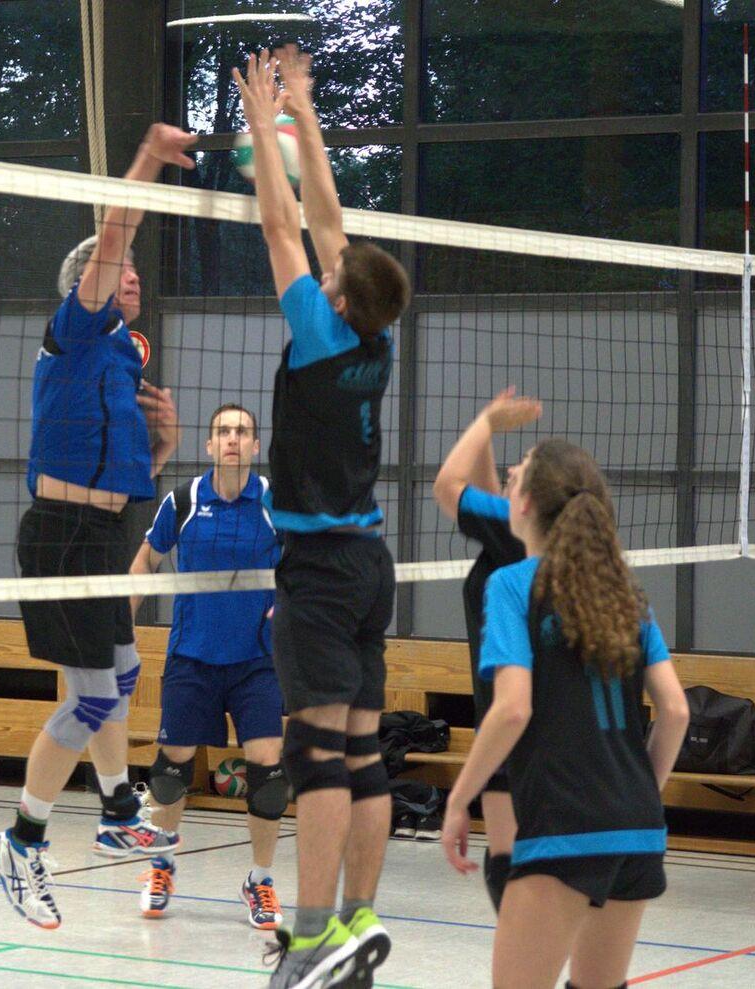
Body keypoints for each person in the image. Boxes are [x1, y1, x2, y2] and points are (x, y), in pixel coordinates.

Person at [0, 121, 197, 930]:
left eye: (137, 269)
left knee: (123, 674)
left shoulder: (121, 361)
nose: (132, 273)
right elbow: (112, 235)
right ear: (91, 286)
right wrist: (147, 160)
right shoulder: (74, 331)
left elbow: (127, 480)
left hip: (102, 536)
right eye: (121, 269)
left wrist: (164, 448)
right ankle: (21, 839)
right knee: (95, 700)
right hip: (60, 536)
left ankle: (115, 811)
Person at [233, 46, 412, 989]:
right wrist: (302, 107)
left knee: (316, 755)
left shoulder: (317, 333)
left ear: (338, 297)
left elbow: (282, 223)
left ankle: (308, 943)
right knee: (364, 751)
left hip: (320, 570)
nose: (329, 270)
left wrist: (261, 123)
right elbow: (330, 223)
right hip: (371, 565)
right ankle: (358, 918)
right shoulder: (376, 341)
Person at [439, 440, 689, 989]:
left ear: (526, 504)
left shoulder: (511, 585)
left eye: (515, 478)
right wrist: (638, 793)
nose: (506, 481)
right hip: (638, 828)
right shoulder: (625, 592)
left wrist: (458, 800)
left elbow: (512, 709)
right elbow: (674, 710)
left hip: (564, 825)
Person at [126, 403, 286, 929]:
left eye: (242, 431)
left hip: (256, 661)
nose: (233, 439)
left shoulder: (275, 504)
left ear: (255, 446)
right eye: (223, 431)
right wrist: (121, 626)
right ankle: (161, 867)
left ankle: (260, 880)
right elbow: (146, 559)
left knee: (268, 775)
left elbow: (304, 566)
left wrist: (288, 605)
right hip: (192, 657)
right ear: (211, 445)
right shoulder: (184, 501)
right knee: (171, 773)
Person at [431, 387, 542, 913]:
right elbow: (487, 493)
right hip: (538, 724)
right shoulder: (530, 536)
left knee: (515, 868)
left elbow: (447, 487)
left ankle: (529, 949)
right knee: (521, 864)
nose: (512, 471)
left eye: (523, 468)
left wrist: (485, 424)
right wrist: (488, 436)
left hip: (509, 721)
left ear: (531, 502)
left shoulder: (512, 537)